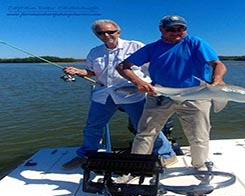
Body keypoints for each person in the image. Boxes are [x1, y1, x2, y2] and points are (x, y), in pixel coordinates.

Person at [61, 19, 176, 170]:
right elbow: (92, 72)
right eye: (101, 33)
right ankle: (86, 155)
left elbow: (153, 67)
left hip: (133, 93)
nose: (106, 35)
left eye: (110, 32)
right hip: (104, 94)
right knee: (92, 127)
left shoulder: (135, 46)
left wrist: (154, 86)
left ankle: (166, 155)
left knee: (145, 127)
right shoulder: (95, 52)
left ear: (118, 32)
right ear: (96, 35)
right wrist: (77, 71)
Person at [117, 15, 227, 168]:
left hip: (195, 96)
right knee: (144, 134)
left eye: (180, 29)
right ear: (161, 30)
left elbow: (218, 64)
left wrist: (218, 80)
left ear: (185, 29)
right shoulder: (152, 48)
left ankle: (199, 166)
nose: (176, 32)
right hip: (160, 95)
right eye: (171, 29)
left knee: (199, 136)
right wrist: (138, 82)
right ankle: (136, 168)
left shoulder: (196, 43)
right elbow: (123, 66)